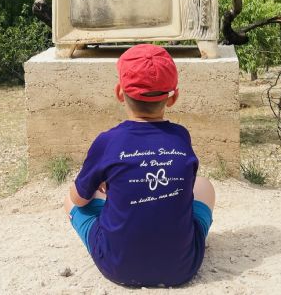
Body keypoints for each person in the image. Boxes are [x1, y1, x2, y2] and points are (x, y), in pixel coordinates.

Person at [63, 44, 215, 287]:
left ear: (119, 92)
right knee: (205, 186)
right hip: (182, 267)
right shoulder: (181, 138)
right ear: (173, 97)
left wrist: (104, 187)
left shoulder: (108, 142)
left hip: (118, 268)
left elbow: (79, 199)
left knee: (73, 199)